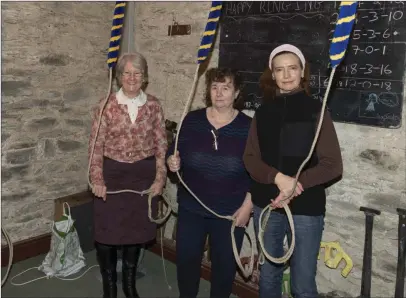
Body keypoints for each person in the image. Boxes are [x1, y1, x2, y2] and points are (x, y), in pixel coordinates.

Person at [243, 44, 343, 298]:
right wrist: (277, 178)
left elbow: (332, 164)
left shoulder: (316, 110)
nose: (286, 75)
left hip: (306, 207)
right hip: (267, 204)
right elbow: (251, 158)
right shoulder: (263, 112)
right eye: (280, 70)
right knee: (268, 277)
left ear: (302, 72)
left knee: (302, 284)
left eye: (292, 68)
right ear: (272, 75)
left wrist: (296, 185)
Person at [166, 67, 253, 298]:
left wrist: (248, 206)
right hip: (192, 209)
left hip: (230, 213)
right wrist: (172, 162)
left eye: (226, 87)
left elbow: (259, 172)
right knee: (186, 262)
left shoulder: (249, 127)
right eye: (214, 87)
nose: (219, 93)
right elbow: (172, 153)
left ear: (236, 93)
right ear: (208, 91)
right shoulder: (192, 121)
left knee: (224, 268)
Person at [88, 52, 168, 298]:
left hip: (143, 175)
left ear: (144, 77)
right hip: (112, 174)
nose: (132, 77)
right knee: (106, 233)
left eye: (138, 73)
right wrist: (97, 179)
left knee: (137, 231)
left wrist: (160, 178)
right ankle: (110, 287)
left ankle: (129, 285)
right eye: (127, 73)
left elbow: (161, 145)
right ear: (119, 76)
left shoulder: (154, 105)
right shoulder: (105, 106)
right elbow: (95, 146)